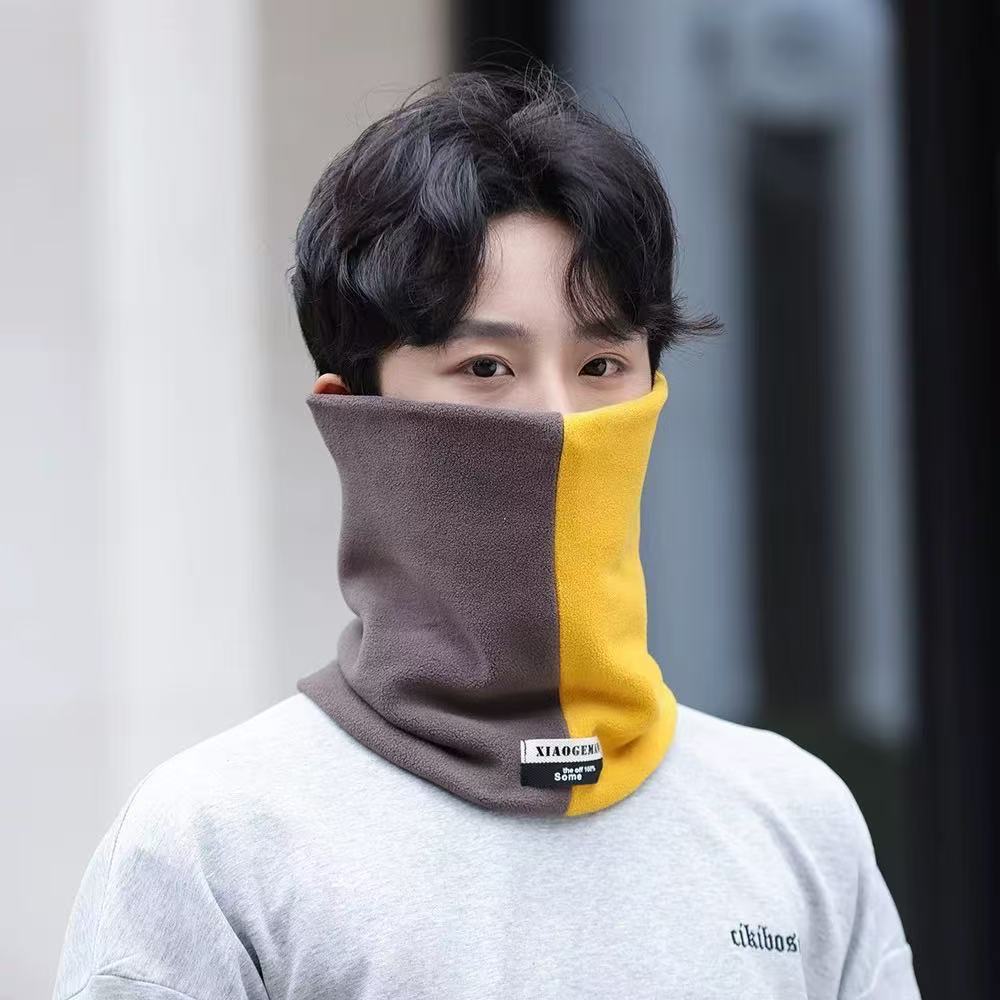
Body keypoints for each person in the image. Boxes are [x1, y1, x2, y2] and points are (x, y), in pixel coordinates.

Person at [52, 63, 920, 1000]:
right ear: (356, 413)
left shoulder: (797, 822)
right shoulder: (215, 846)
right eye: (486, 368)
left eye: (601, 364)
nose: (559, 419)